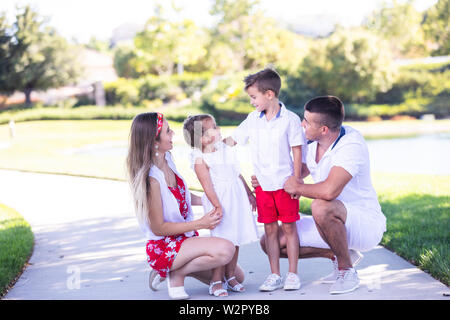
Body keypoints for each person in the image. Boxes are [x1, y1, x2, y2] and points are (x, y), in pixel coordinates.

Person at [257, 96, 386, 294]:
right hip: (329, 224)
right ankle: (339, 255)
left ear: (323, 129)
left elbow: (329, 191)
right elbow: (295, 173)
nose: (302, 124)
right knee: (270, 241)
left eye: (306, 121)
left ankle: (346, 271)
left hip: (363, 224)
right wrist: (267, 180)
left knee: (321, 205)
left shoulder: (351, 145)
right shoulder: (311, 142)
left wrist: (297, 188)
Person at [126, 112, 242, 300]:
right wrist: (200, 224)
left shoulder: (167, 160)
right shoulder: (151, 180)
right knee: (226, 250)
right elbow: (159, 228)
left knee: (237, 275)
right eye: (168, 132)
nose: (173, 134)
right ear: (154, 141)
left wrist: (215, 200)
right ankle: (175, 273)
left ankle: (173, 269)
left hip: (184, 240)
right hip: (164, 246)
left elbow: (182, 197)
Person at [224, 68, 306, 291]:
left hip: (285, 185)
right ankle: (274, 274)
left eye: (253, 97)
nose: (251, 102)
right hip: (262, 186)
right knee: (269, 230)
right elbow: (232, 140)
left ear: (269, 94)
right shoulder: (252, 120)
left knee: (289, 228)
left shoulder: (290, 120)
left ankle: (292, 274)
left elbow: (297, 151)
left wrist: (297, 181)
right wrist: (206, 141)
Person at [182, 114, 259, 297]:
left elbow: (237, 173)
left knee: (236, 238)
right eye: (214, 127)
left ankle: (230, 277)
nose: (219, 129)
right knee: (222, 240)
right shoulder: (200, 158)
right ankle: (216, 280)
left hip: (236, 197)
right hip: (220, 200)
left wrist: (249, 194)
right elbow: (207, 186)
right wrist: (217, 206)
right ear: (204, 138)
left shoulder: (223, 148)